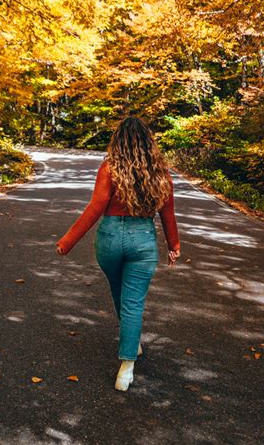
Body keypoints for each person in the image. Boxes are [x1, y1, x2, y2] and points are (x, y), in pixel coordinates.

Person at [56, 116, 180, 391]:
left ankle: (130, 344)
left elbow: (96, 207)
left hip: (110, 238)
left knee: (119, 293)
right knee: (132, 301)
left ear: (119, 142)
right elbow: (167, 212)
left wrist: (68, 241)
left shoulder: (109, 168)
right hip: (143, 239)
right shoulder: (161, 173)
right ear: (149, 143)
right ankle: (126, 368)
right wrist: (174, 245)